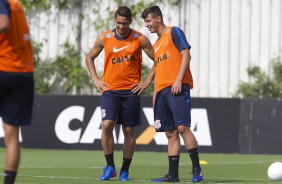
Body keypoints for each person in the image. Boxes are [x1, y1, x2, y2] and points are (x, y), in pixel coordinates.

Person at [85, 6, 154, 181]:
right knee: (107, 125)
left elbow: (158, 60)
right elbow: (89, 57)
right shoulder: (106, 37)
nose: (121, 27)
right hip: (110, 91)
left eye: (124, 23)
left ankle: (125, 169)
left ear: (130, 22)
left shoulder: (140, 39)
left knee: (129, 131)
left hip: (131, 92)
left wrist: (146, 81)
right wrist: (95, 78)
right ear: (115, 21)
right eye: (118, 23)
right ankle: (109, 167)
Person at [141, 6, 204, 183]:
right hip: (161, 91)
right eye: (145, 22)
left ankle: (197, 170)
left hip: (177, 86)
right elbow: (158, 67)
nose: (146, 25)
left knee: (183, 128)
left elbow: (186, 55)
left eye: (148, 21)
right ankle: (173, 176)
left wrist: (178, 80)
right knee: (170, 133)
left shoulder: (173, 31)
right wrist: (154, 91)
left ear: (158, 19)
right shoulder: (156, 45)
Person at [0, 0, 34, 184]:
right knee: (12, 135)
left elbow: (3, 23)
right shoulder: (18, 5)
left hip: (2, 69)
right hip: (22, 74)